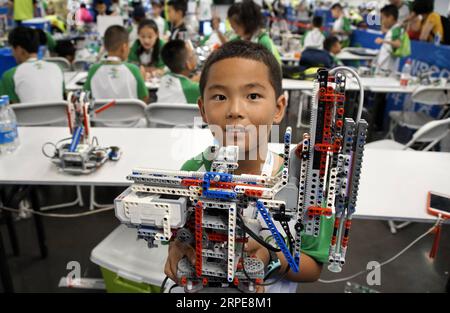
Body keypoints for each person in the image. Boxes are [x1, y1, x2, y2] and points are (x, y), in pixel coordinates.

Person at [164, 40, 333, 293]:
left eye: (253, 96)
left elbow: (311, 268)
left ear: (278, 108)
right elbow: (175, 230)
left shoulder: (305, 183)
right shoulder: (193, 171)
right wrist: (177, 246)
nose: (235, 110)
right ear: (202, 110)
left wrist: (270, 255)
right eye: (220, 97)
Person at [83, 25, 149, 102]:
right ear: (124, 47)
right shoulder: (133, 70)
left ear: (105, 46)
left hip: (101, 114)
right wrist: (143, 80)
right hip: (129, 114)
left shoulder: (94, 69)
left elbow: (85, 96)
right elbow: (144, 98)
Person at [0, 26, 64, 103]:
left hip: (26, 115)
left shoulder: (10, 76)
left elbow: (8, 110)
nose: (12, 54)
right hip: (59, 115)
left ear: (19, 49)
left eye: (12, 49)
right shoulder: (57, 68)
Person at [156, 39, 200, 104]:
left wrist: (191, 81)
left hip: (161, 114)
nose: (195, 56)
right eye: (193, 54)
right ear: (188, 64)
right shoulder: (194, 89)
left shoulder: (164, 77)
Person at [374, 4, 402, 77]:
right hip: (383, 68)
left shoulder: (396, 30)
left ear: (390, 18)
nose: (382, 21)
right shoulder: (393, 30)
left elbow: (398, 44)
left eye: (382, 18)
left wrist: (383, 41)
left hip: (387, 70)